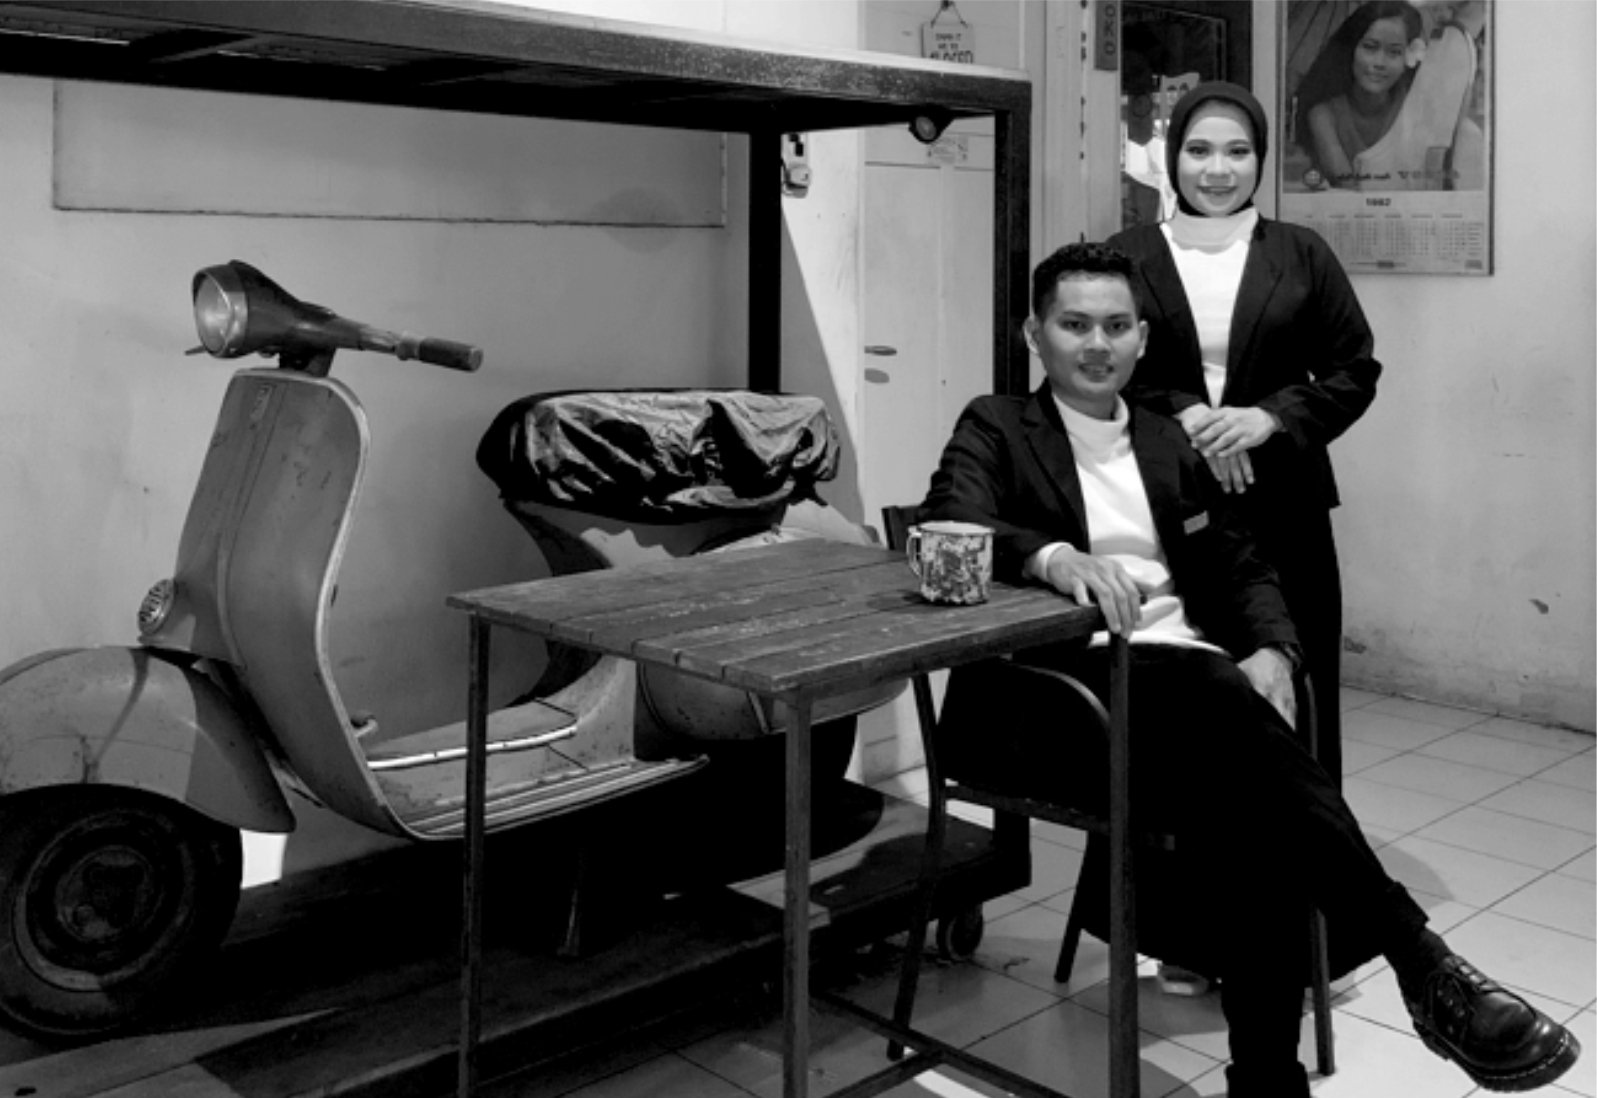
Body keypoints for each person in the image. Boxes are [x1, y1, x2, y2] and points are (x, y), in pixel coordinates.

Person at [918, 240, 1580, 1097]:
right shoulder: (997, 424)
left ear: (1142, 338)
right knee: (1226, 716)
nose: (1096, 345)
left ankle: (1270, 1080)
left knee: (1257, 811)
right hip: (1058, 705)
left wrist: (1273, 648)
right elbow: (950, 517)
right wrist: (1051, 556)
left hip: (1190, 710)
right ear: (1032, 334)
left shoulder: (1166, 439)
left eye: (1116, 326)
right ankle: (1417, 958)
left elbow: (1238, 563)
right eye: (1074, 325)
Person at [1108, 81, 1375, 795]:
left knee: (1295, 680)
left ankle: (1303, 850)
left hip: (1285, 503)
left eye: (1237, 151)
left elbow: (1354, 370)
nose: (1217, 170)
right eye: (1198, 151)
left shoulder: (1300, 252)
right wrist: (1185, 414)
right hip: (1168, 505)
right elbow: (1101, 370)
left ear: (1261, 158)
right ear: (1172, 156)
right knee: (1180, 688)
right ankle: (1167, 854)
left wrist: (1269, 419)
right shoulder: (1126, 254)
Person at [1291, 1, 1485, 191]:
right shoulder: (1324, 115)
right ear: (1352, 50)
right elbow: (1348, 186)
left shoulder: (1417, 108)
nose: (1379, 63)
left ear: (1409, 57)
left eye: (1394, 52)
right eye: (1370, 47)